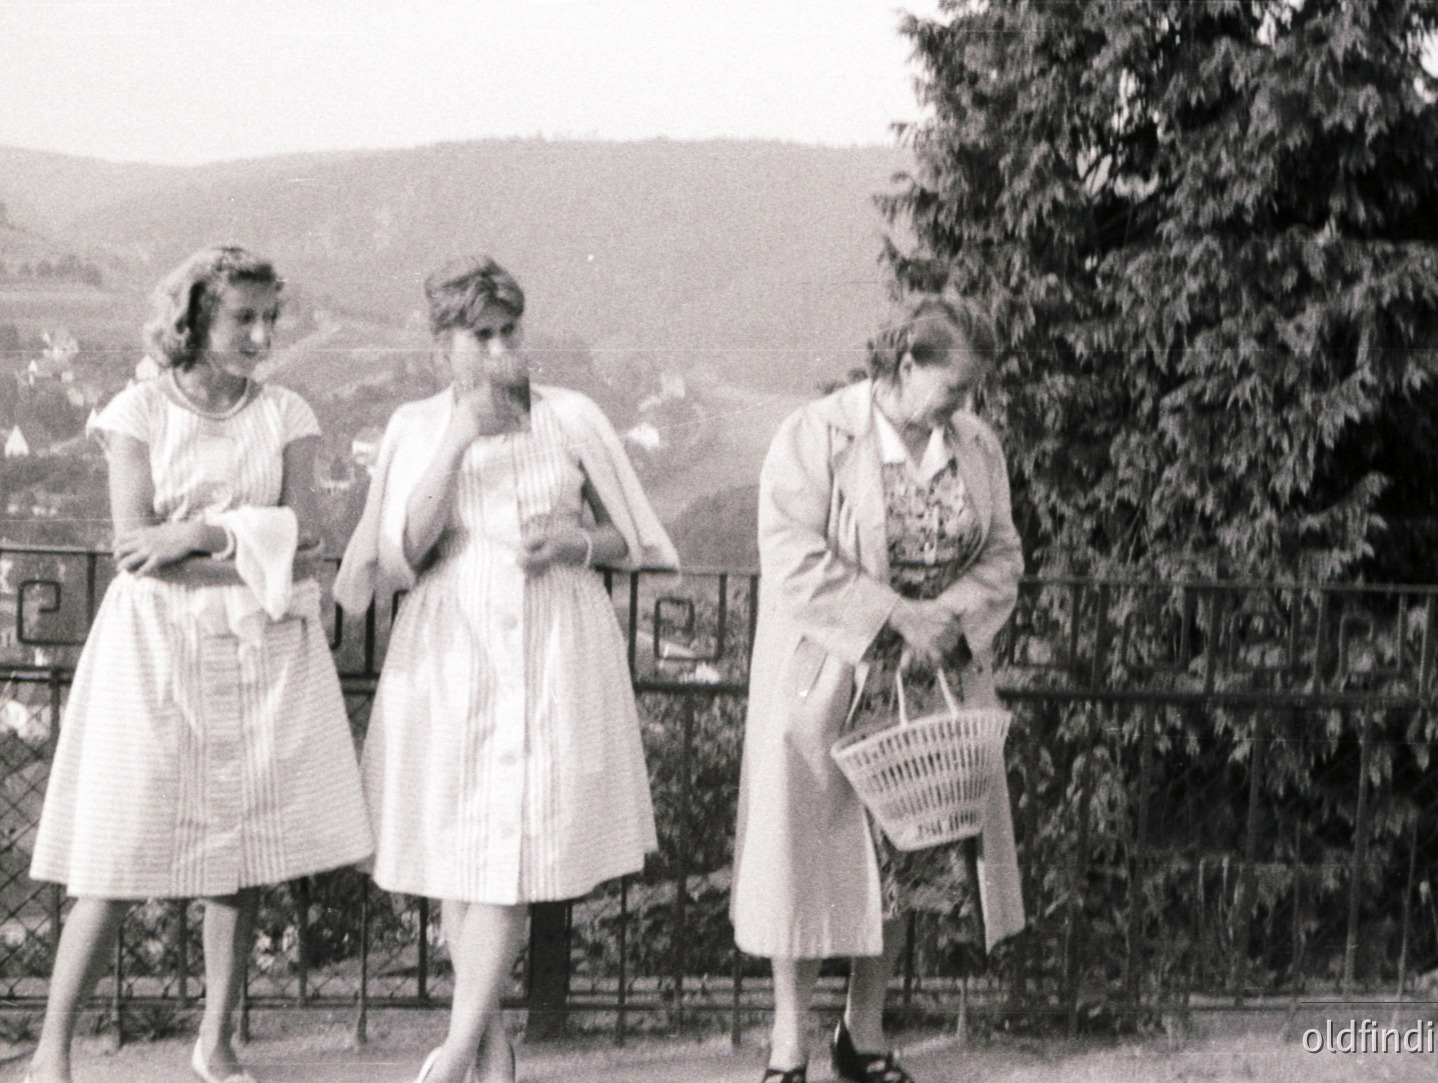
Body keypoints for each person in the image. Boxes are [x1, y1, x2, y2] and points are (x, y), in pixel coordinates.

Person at [26, 246, 374, 1083]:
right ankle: (51, 1049)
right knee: (114, 851)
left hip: (258, 649)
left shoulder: (286, 412)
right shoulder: (138, 411)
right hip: (155, 648)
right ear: (193, 322)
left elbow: (308, 539)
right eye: (241, 319)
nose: (260, 336)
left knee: (240, 848)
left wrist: (202, 534)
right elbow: (137, 551)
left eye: (268, 319)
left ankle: (215, 1039)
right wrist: (241, 545)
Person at [335, 255, 678, 1083]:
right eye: (477, 337)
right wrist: (458, 437)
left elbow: (637, 540)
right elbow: (403, 549)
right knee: (462, 845)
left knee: (509, 846)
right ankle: (490, 1052)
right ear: (441, 348)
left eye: (507, 333)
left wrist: (573, 543)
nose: (496, 351)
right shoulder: (417, 425)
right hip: (451, 648)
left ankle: (454, 1054)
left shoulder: (573, 417)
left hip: (552, 644)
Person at [730, 297, 1025, 1083]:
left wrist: (944, 621)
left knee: (908, 856)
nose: (965, 406)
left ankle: (860, 1035)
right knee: (801, 855)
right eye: (954, 387)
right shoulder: (815, 435)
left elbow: (1002, 555)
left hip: (926, 682)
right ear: (904, 366)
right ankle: (788, 1042)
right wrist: (894, 612)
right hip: (828, 679)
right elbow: (791, 557)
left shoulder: (975, 446)